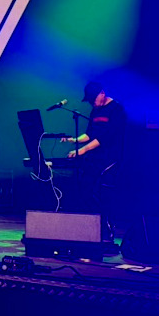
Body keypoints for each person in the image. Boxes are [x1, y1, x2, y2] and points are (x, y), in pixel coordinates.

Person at [61, 81, 126, 239]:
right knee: (85, 189)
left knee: (103, 193)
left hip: (110, 159)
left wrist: (82, 150)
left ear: (102, 93)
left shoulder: (116, 109)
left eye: (93, 99)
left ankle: (106, 227)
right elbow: (90, 134)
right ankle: (94, 225)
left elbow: (105, 137)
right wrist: (74, 140)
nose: (92, 103)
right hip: (95, 159)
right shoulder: (95, 110)